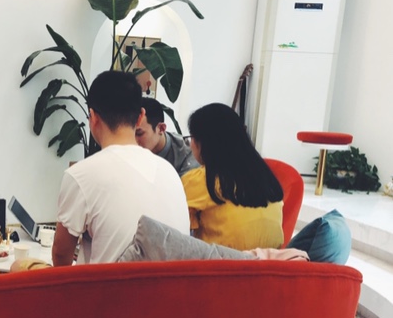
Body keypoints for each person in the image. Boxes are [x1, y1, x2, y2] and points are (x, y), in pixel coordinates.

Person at [14, 70, 190, 271]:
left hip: (108, 290)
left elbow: (61, 256)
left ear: (93, 117)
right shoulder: (170, 172)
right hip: (173, 290)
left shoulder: (81, 174)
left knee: (20, 266)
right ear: (140, 116)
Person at [181, 102, 284, 251]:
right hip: (272, 261)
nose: (190, 145)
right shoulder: (264, 174)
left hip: (224, 262)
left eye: (191, 138)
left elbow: (175, 226)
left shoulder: (201, 179)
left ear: (203, 142)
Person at [135, 96, 200, 176]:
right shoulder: (127, 147)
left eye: (139, 134)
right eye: (131, 133)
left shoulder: (185, 155)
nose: (133, 140)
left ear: (161, 128)